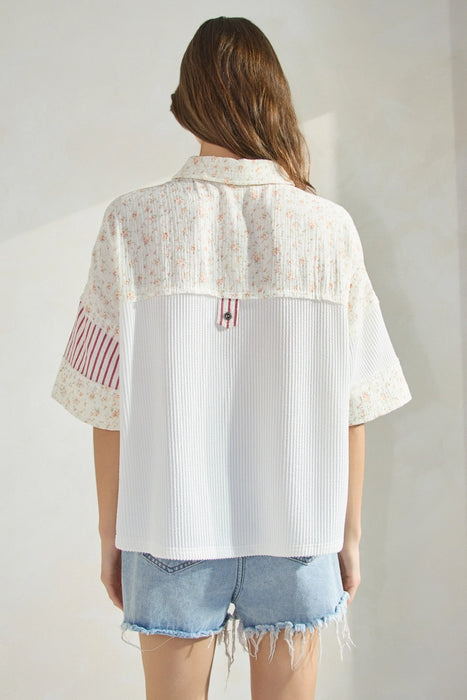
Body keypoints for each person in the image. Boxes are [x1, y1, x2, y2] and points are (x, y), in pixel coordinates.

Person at [51, 16, 412, 700]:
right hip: (300, 527)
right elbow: (355, 402)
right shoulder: (328, 228)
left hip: (168, 526)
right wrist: (348, 535)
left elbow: (104, 402)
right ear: (271, 97)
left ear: (188, 102)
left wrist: (111, 533)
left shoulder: (133, 222)